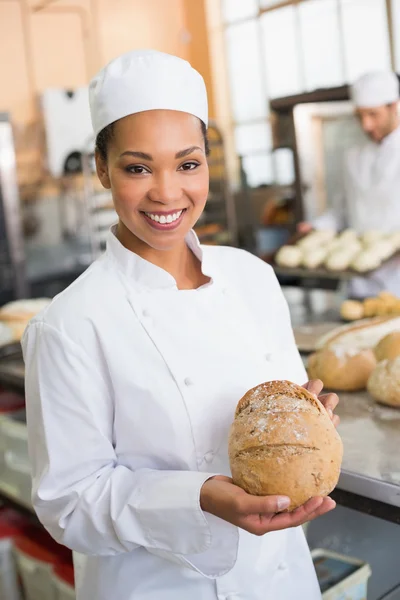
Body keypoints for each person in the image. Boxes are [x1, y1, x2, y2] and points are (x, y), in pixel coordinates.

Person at [22, 49, 339, 600]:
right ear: (102, 168)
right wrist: (200, 496)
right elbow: (68, 505)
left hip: (282, 578)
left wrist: (306, 419)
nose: (167, 192)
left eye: (187, 164)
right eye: (138, 167)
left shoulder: (253, 278)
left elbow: (280, 406)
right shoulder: (70, 325)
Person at [299, 70, 400, 296]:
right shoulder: (353, 154)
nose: (366, 125)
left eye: (373, 115)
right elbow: (343, 210)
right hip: (358, 281)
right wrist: (316, 226)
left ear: (394, 106)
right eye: (360, 116)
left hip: (397, 280)